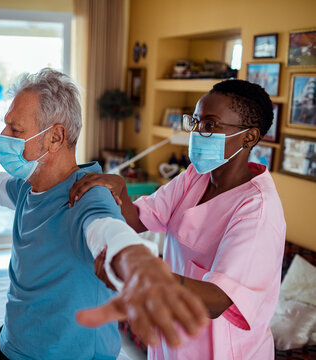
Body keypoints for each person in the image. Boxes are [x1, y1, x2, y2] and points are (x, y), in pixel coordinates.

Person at [0, 68, 208, 360]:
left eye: (16, 130)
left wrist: (134, 258)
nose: (3, 136)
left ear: (56, 137)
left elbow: (106, 228)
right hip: (8, 344)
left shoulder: (86, 194)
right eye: (6, 126)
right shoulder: (29, 187)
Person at [70, 79, 286, 359]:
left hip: (223, 351)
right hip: (172, 339)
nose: (196, 133)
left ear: (249, 136)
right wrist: (119, 188)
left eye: (210, 125)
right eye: (195, 122)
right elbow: (137, 220)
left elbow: (217, 299)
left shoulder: (257, 210)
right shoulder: (196, 176)